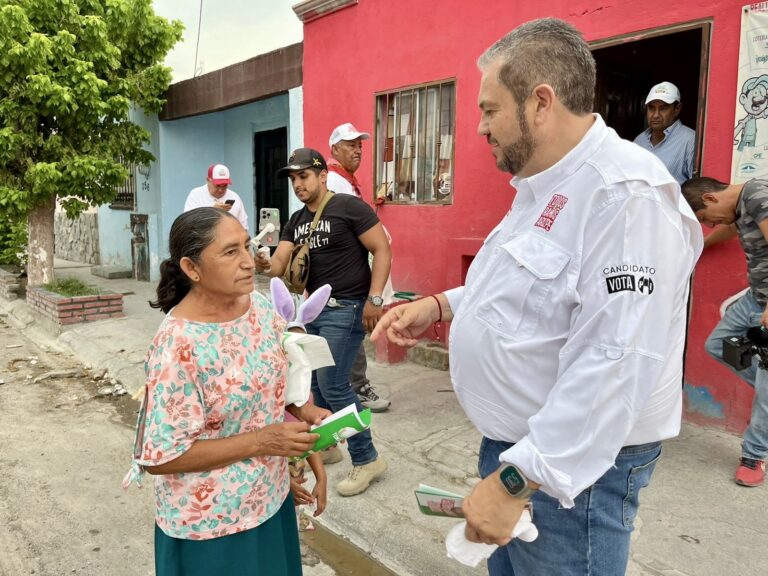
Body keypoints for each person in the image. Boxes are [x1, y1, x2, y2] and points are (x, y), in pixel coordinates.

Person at [372, 18, 702, 575]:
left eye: (490, 109)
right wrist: (442, 305)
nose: (479, 127)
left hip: (571, 477)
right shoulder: (544, 182)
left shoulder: (624, 197)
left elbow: (613, 363)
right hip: (522, 456)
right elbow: (528, 284)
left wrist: (515, 482)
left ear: (541, 102)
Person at [123, 207, 329, 575]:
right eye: (230, 252)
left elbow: (278, 385)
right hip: (212, 529)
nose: (249, 262)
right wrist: (265, 442)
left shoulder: (260, 310)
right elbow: (163, 458)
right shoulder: (177, 347)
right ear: (192, 269)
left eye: (247, 247)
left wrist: (305, 415)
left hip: (270, 501)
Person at [254, 147, 391, 496]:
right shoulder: (296, 221)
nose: (298, 184)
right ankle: (328, 444)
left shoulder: (348, 207)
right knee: (309, 383)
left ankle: (367, 458)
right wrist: (261, 262)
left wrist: (375, 300)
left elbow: (382, 248)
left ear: (322, 176)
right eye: (293, 178)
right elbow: (279, 265)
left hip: (346, 307)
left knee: (334, 384)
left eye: (304, 176)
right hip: (312, 311)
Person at [681, 176, 768, 487]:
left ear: (709, 199)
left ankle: (753, 456)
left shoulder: (757, 195)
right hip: (754, 297)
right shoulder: (742, 208)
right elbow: (729, 229)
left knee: (767, 393)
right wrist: (696, 248)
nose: (709, 225)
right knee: (718, 344)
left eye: (705, 220)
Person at [327, 122, 392, 413]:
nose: (357, 149)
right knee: (349, 329)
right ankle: (356, 389)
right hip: (345, 276)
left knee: (348, 331)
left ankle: (347, 388)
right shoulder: (334, 182)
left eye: (360, 145)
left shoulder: (347, 181)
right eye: (350, 144)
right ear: (334, 149)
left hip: (351, 271)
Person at [634, 81, 696, 184]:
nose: (655, 115)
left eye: (663, 108)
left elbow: (696, 188)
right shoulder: (639, 141)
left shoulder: (690, 141)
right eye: (651, 108)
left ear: (677, 109)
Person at [184, 163, 250, 232]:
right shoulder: (196, 195)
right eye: (217, 185)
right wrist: (213, 211)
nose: (221, 190)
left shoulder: (235, 197)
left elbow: (244, 227)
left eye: (224, 185)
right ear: (208, 180)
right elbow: (188, 223)